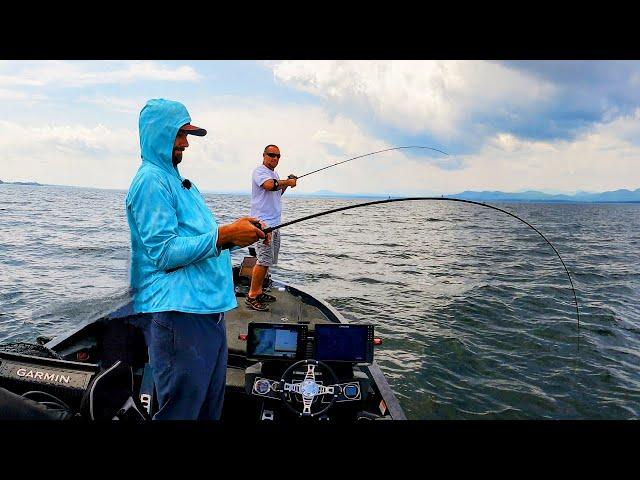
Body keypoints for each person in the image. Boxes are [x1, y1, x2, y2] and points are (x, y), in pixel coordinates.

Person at [125, 98, 268, 420]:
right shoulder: (151, 181)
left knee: (206, 410)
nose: (185, 144)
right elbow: (162, 253)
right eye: (179, 134)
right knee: (181, 412)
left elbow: (200, 241)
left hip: (206, 313)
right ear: (156, 133)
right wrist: (225, 235)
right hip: (179, 316)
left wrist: (239, 232)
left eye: (187, 136)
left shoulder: (179, 183)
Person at [245, 144, 297, 311]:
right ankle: (252, 295)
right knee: (263, 260)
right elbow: (269, 186)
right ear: (264, 155)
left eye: (278, 156)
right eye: (271, 155)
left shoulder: (274, 174)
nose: (275, 158)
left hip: (275, 224)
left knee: (268, 261)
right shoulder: (260, 171)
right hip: (263, 225)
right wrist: (287, 182)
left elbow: (276, 191)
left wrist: (286, 184)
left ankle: (259, 291)